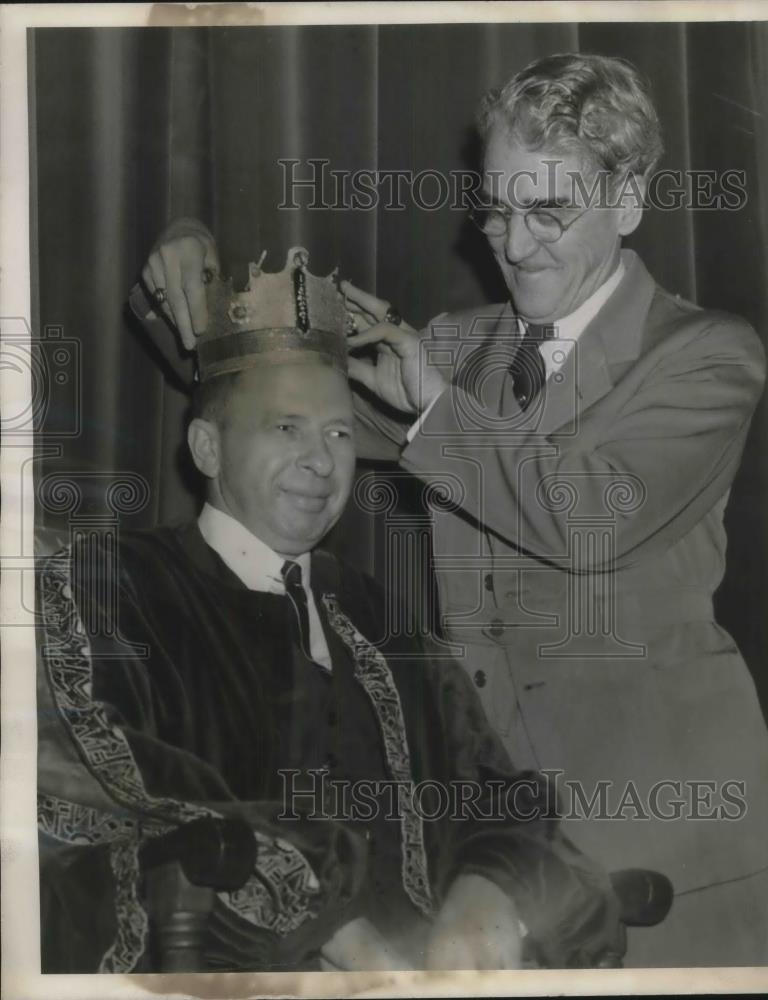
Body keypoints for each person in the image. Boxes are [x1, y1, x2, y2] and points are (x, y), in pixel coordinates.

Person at [131, 54, 768, 967]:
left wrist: (435, 407)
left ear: (629, 200)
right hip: (494, 854)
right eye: (497, 209)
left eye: (550, 211)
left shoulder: (707, 354)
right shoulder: (456, 347)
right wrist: (188, 273)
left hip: (668, 842)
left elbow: (586, 518)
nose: (513, 246)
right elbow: (265, 402)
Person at [37, 247, 623, 975]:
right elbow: (98, 785)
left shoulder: (377, 615)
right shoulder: (108, 587)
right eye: (286, 429)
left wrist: (488, 892)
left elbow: (498, 794)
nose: (322, 461)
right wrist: (332, 929)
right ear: (206, 447)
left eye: (341, 433)